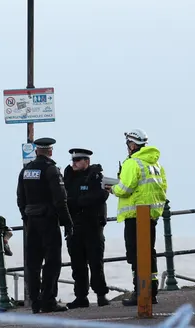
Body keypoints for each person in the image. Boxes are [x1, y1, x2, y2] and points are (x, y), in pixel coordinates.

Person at [111, 129, 167, 308]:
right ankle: (152, 292)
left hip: (134, 215)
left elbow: (124, 189)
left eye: (128, 144)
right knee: (149, 253)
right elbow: (163, 187)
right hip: (151, 215)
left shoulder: (132, 163)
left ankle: (140, 292)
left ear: (133, 145)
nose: (128, 147)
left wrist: (112, 188)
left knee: (135, 255)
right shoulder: (155, 164)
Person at [16, 137, 73, 313]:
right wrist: (67, 223)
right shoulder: (51, 170)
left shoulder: (25, 171)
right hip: (48, 221)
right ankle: (48, 300)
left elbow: (20, 198)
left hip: (31, 222)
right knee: (52, 262)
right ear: (50, 151)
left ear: (36, 151)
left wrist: (25, 218)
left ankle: (34, 301)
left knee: (33, 263)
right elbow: (60, 200)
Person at [63, 148, 109, 308]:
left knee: (96, 262)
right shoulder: (68, 177)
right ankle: (81, 296)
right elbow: (63, 199)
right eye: (73, 160)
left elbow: (101, 196)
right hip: (74, 226)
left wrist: (77, 202)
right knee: (77, 264)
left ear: (86, 161)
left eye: (78, 160)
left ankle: (101, 294)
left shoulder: (96, 177)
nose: (74, 163)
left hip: (93, 226)